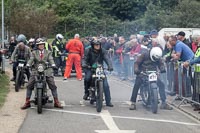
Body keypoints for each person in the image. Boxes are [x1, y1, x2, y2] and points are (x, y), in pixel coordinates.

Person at [21, 38, 63, 109]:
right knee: (29, 85)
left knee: (52, 84)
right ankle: (27, 102)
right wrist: (28, 65)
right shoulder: (34, 52)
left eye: (42, 44)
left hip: (47, 70)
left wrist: (53, 65)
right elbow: (31, 59)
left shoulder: (48, 52)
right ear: (37, 46)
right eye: (39, 45)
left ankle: (56, 101)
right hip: (36, 70)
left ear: (44, 45)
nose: (41, 46)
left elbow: (50, 59)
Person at [82, 39, 114, 107]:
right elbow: (84, 59)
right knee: (87, 78)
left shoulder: (103, 51)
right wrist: (84, 64)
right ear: (93, 45)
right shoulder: (88, 50)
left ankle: (108, 101)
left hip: (100, 68)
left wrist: (110, 66)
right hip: (90, 67)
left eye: (98, 45)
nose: (97, 46)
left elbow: (107, 59)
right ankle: (86, 93)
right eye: (96, 45)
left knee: (106, 85)